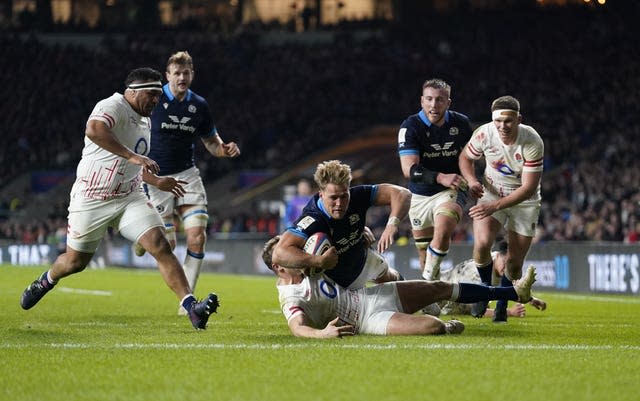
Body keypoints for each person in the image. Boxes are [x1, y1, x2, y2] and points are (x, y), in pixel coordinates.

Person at [19, 67, 218, 330]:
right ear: (133, 92)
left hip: (129, 197)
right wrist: (133, 156)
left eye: (159, 96)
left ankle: (191, 306)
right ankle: (46, 280)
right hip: (92, 197)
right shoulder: (113, 105)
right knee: (74, 262)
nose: (157, 101)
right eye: (152, 95)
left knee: (160, 245)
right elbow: (94, 130)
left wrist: (156, 181)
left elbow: (135, 167)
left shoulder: (145, 121)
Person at [133, 51, 240, 315]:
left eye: (186, 73)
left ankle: (188, 304)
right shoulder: (153, 101)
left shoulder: (199, 105)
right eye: (177, 73)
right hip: (156, 178)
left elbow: (211, 142)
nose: (182, 77)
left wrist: (224, 149)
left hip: (188, 174)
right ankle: (140, 235)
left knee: (197, 237)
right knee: (167, 245)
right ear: (167, 75)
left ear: (192, 75)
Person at [262, 236, 537, 338]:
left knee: (440, 286)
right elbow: (297, 327)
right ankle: (446, 325)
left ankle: (514, 292)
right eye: (286, 254)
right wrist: (323, 334)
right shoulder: (290, 295)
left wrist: (360, 238)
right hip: (368, 320)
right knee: (433, 326)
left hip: (369, 296)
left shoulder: (311, 261)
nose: (294, 252)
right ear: (278, 266)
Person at [459, 95, 544, 322]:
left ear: (518, 119)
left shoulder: (532, 141)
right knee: (482, 244)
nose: (502, 126)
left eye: (508, 121)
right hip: (491, 192)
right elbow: (465, 158)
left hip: (524, 202)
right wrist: (472, 180)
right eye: (498, 121)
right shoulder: (484, 134)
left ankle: (502, 305)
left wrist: (494, 206)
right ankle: (485, 291)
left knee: (515, 267)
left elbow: (527, 188)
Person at [272, 160, 409, 290]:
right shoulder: (312, 218)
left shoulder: (358, 196)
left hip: (363, 258)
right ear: (321, 194)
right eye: (333, 198)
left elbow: (403, 194)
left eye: (344, 196)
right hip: (334, 283)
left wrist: (392, 224)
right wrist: (318, 261)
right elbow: (279, 254)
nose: (339, 203)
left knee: (393, 280)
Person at [397, 79, 473, 283]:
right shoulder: (410, 127)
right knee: (424, 254)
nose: (433, 104)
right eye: (429, 99)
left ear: (448, 102)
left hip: (452, 188)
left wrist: (472, 180)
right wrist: (440, 176)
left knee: (444, 227)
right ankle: (433, 294)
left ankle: (428, 280)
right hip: (420, 194)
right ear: (422, 101)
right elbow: (409, 170)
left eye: (439, 100)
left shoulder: (462, 124)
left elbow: (470, 158)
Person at [439, 240, 547, 317]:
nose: (506, 269)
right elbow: (475, 309)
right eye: (505, 263)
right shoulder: (477, 274)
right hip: (438, 300)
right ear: (498, 256)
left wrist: (530, 299)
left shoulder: (497, 261)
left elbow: (511, 286)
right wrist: (510, 312)